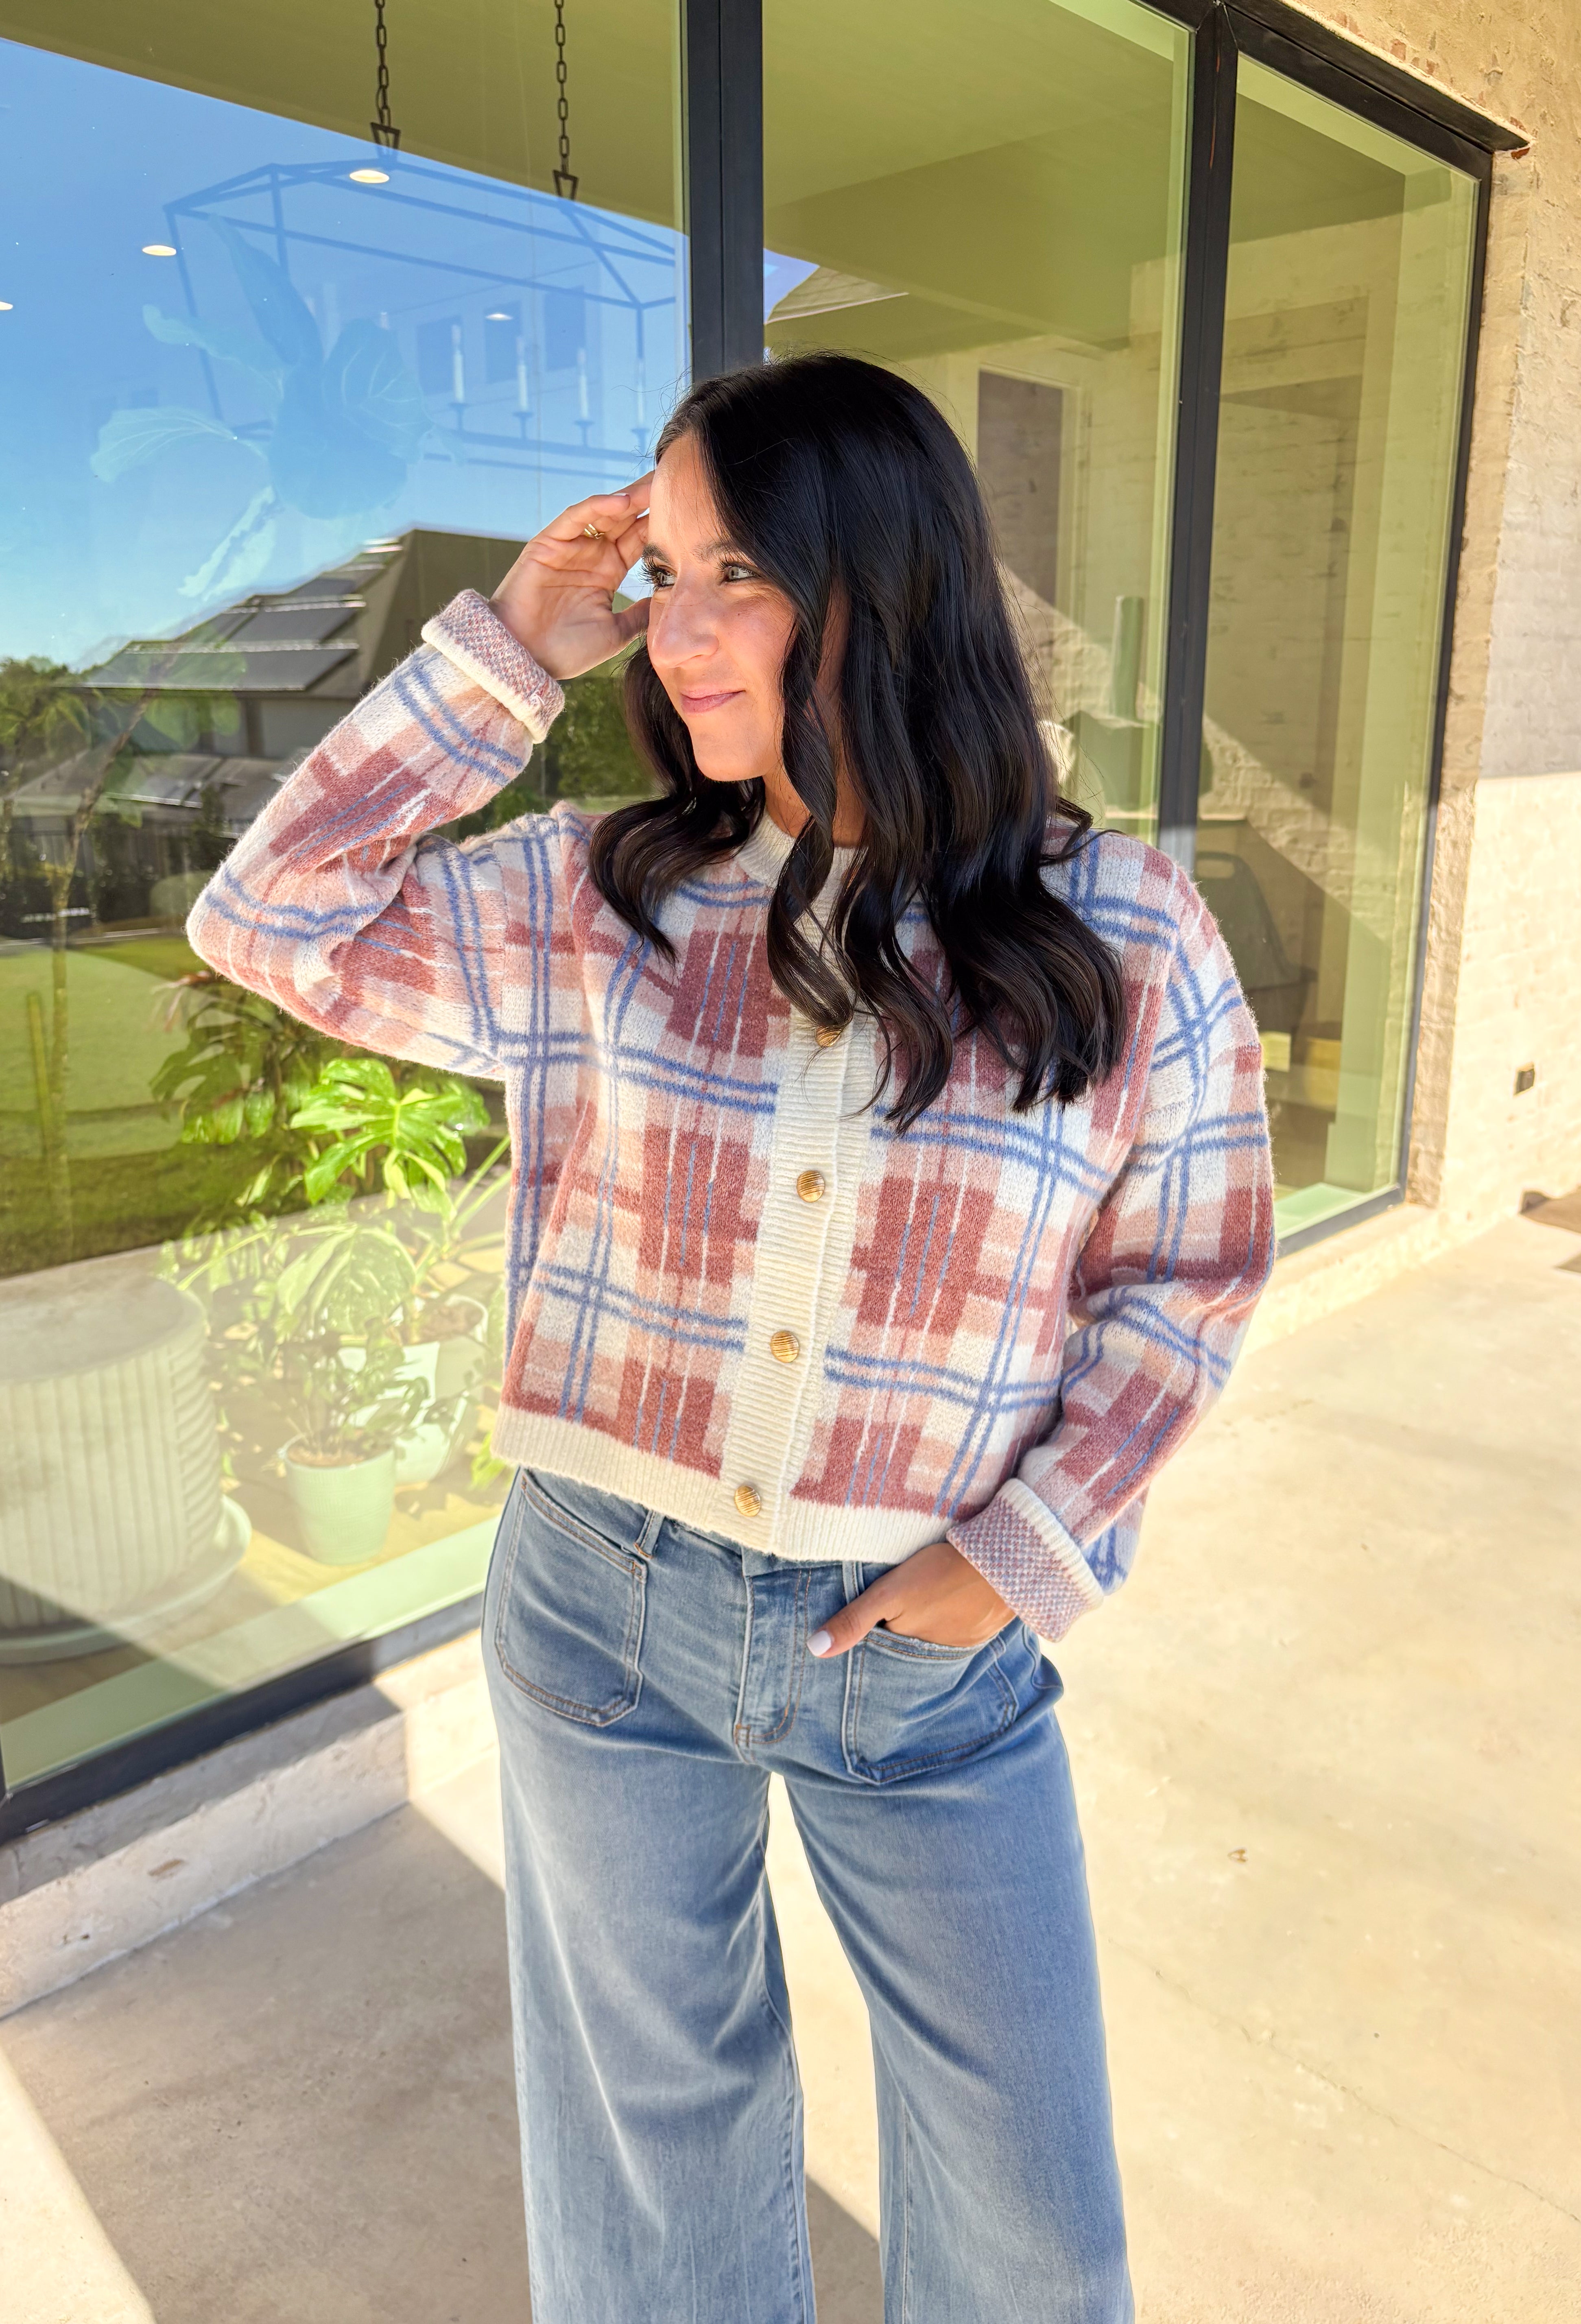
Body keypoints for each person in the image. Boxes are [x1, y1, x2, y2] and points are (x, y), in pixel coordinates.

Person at [190, 352, 1275, 2323]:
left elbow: (1187, 1279)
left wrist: (1015, 1558)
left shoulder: (1116, 931)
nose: (672, 631)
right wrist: (507, 651)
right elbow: (270, 919)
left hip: (925, 1655)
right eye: (656, 573)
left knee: (1031, 2215)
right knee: (655, 2165)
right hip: (599, 1612)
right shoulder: (602, 893)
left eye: (735, 575)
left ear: (888, 585)